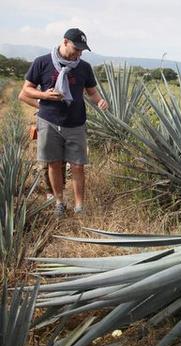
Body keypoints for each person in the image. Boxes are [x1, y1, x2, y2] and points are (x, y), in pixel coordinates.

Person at [20, 28, 108, 217]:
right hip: (49, 120)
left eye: (82, 50)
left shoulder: (84, 67)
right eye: (77, 48)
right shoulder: (42, 62)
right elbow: (26, 90)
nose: (79, 53)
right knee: (53, 163)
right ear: (65, 41)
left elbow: (91, 92)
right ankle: (59, 202)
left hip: (76, 122)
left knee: (77, 165)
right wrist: (44, 96)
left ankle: (79, 206)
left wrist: (99, 100)